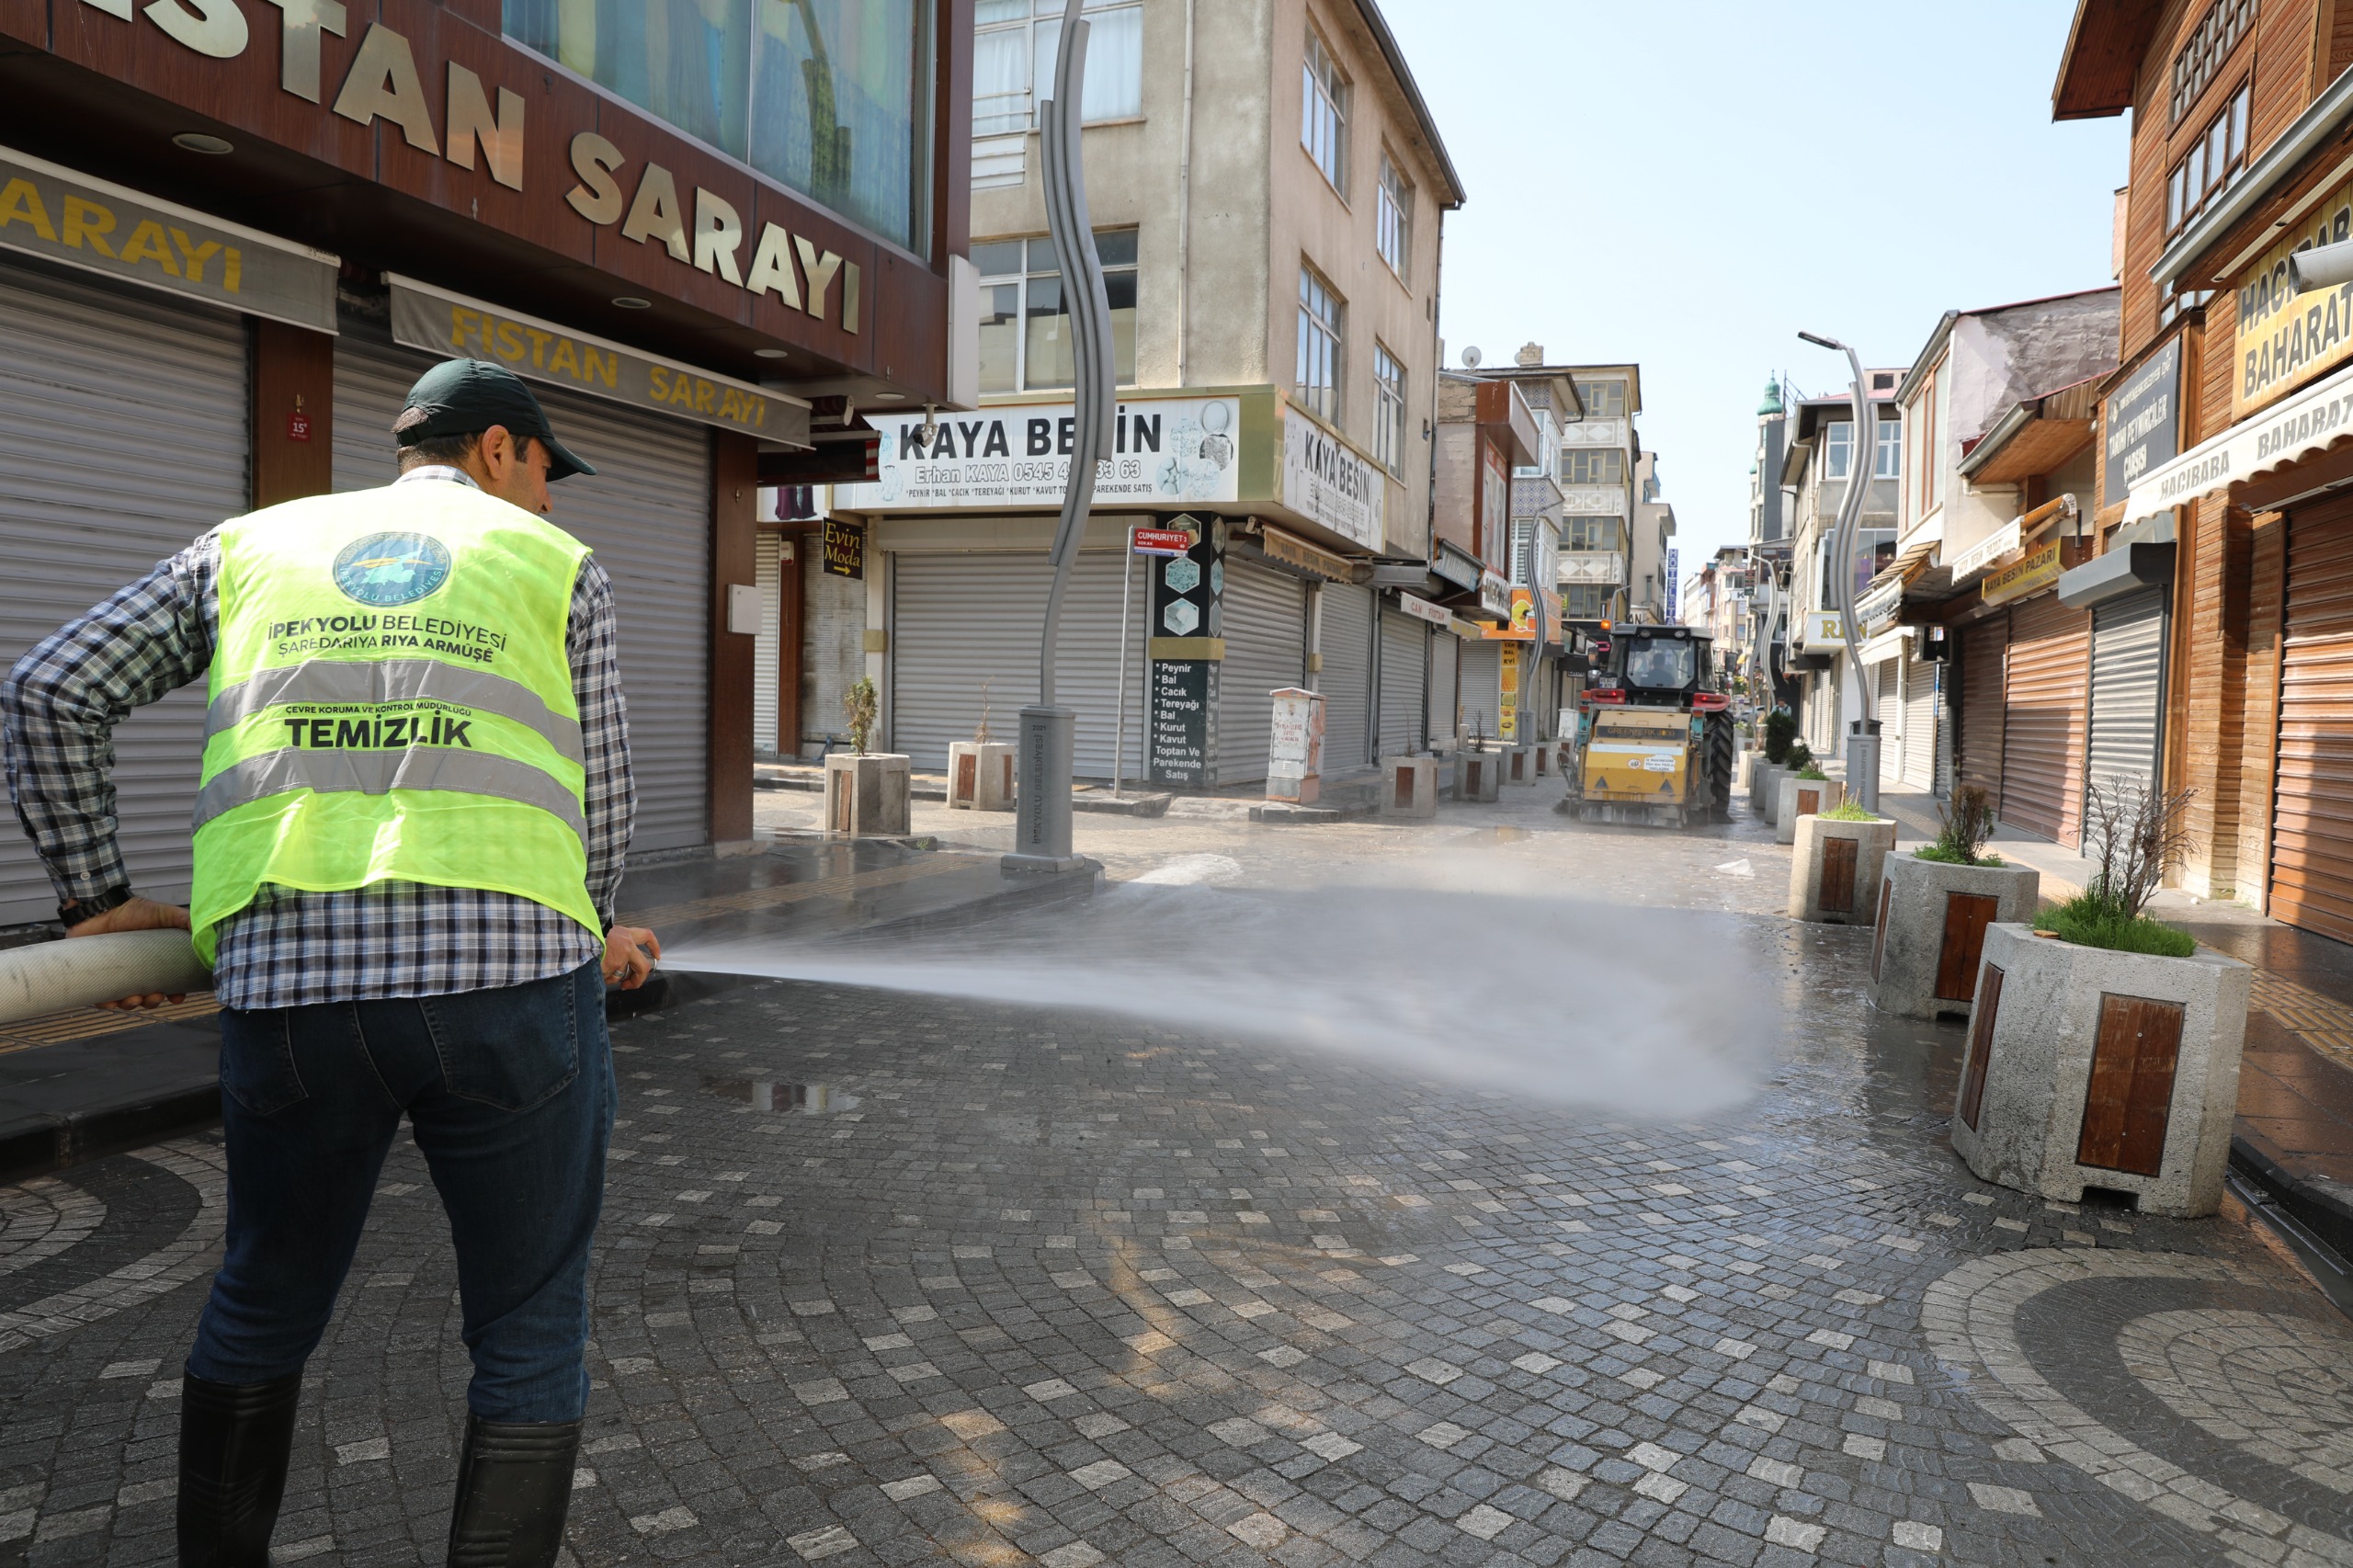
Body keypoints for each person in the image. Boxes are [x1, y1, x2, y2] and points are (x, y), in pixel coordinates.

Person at [1, 359, 662, 1568]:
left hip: (293, 996)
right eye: (547, 474)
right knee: (528, 1327)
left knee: (261, 1305)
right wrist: (593, 917)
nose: (552, 503)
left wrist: (95, 898)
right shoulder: (553, 566)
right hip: (514, 992)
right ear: (500, 450)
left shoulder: (250, 544)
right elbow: (604, 799)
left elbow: (48, 693)